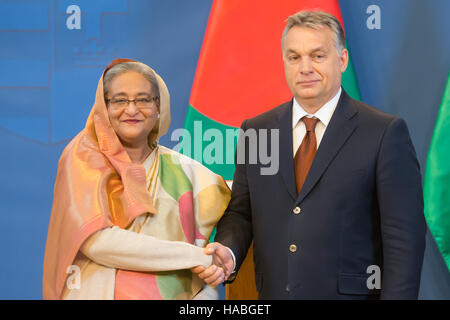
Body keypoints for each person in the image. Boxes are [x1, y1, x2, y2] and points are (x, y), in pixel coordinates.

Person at [193, 10, 426, 299]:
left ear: (341, 60)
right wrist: (228, 249)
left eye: (317, 56)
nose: (305, 67)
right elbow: (242, 212)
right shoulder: (257, 130)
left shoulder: (383, 133)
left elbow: (403, 240)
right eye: (294, 57)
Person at [43, 59, 230, 300]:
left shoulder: (184, 170)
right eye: (120, 100)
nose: (132, 110)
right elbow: (97, 243)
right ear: (104, 106)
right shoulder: (82, 157)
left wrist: (209, 282)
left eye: (143, 99)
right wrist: (196, 256)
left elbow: (237, 213)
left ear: (158, 106)